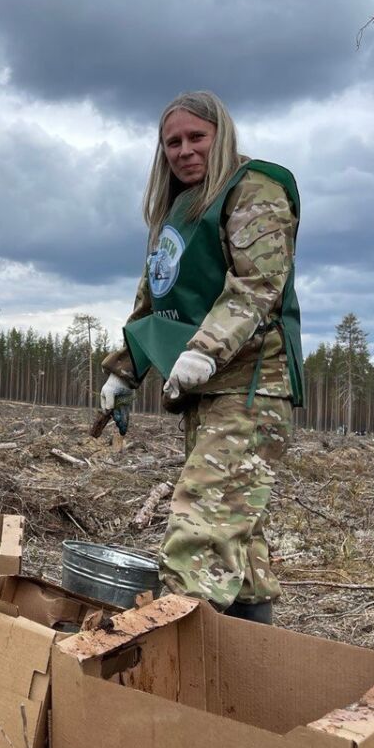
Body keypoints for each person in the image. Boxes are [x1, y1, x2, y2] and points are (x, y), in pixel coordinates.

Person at [99, 91, 303, 625]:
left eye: (197, 137)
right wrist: (127, 369)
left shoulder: (254, 187)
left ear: (222, 135)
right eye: (173, 142)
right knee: (240, 541)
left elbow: (257, 285)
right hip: (206, 391)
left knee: (200, 533)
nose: (184, 151)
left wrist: (206, 350)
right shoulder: (179, 210)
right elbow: (155, 297)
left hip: (251, 389)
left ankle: (174, 679)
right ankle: (251, 673)